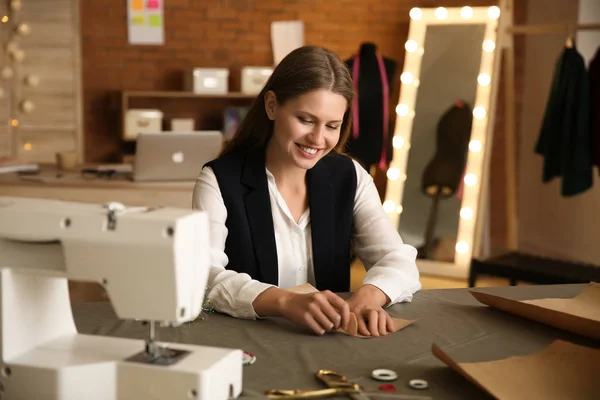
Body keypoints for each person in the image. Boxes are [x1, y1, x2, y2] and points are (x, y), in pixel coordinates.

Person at [192, 45, 421, 337]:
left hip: (327, 344)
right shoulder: (217, 180)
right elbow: (204, 276)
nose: (318, 139)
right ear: (272, 105)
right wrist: (285, 302)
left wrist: (369, 296)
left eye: (332, 126)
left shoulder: (351, 176)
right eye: (306, 120)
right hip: (246, 343)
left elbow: (398, 258)